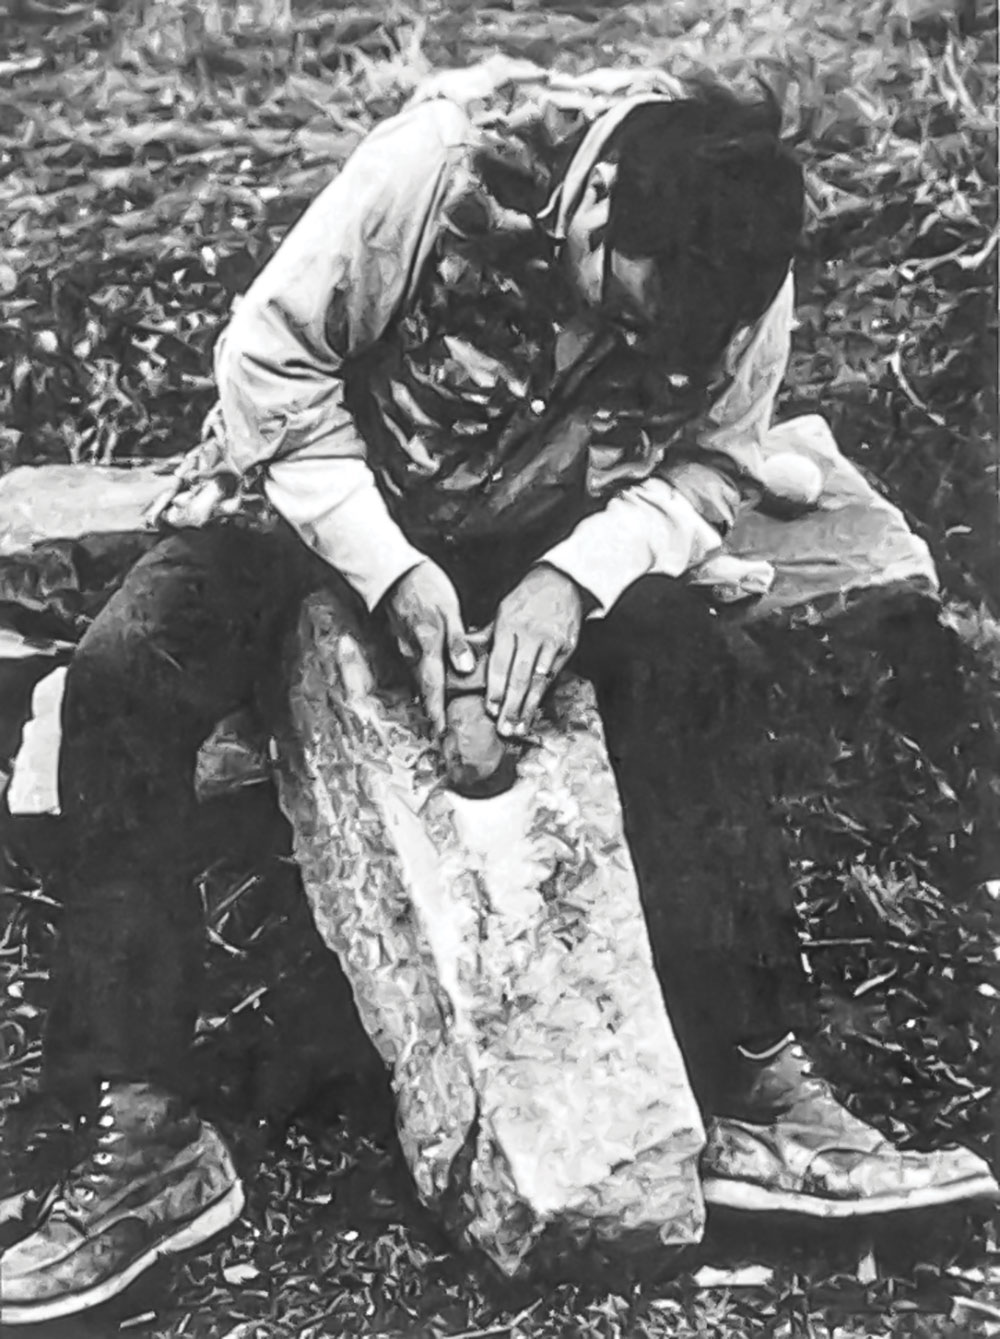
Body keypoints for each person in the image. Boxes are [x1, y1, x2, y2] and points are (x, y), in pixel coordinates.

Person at [2, 63, 996, 1326]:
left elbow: (709, 466)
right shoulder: (443, 166)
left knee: (700, 669)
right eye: (626, 314)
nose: (639, 349)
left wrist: (575, 580)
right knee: (123, 675)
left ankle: (750, 1088)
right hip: (330, 492)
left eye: (668, 343)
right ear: (595, 213)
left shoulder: (737, 258)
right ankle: (146, 1130)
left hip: (550, 528)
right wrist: (390, 571)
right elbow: (267, 364)